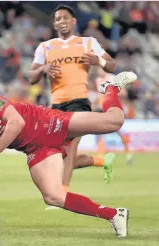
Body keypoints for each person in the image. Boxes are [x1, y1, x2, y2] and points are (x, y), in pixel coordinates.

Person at [0, 71, 137, 238]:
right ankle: (114, 214)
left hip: (47, 123)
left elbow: (17, 122)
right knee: (53, 196)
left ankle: (111, 89)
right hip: (35, 148)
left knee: (114, 122)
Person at [29, 5, 117, 197]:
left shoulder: (88, 42)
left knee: (69, 149)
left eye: (65, 18)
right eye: (58, 19)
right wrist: (43, 69)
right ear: (54, 24)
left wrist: (99, 62)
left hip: (79, 103)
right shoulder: (45, 47)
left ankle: (63, 195)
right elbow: (31, 76)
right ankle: (101, 160)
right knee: (57, 157)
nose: (62, 21)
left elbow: (111, 64)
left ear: (74, 21)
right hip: (56, 106)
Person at [94, 67, 134, 164]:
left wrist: (112, 91)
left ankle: (128, 152)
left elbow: (124, 93)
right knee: (99, 132)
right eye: (98, 70)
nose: (99, 71)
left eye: (101, 69)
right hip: (101, 109)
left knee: (118, 131)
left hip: (112, 108)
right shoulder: (98, 80)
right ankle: (101, 156)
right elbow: (100, 95)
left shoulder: (113, 78)